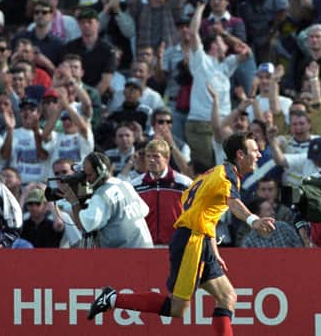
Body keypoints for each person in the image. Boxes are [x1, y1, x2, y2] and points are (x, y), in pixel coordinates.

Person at [87, 132, 276, 336]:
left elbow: (201, 212)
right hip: (191, 242)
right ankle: (112, 298)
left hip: (200, 241)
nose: (259, 154)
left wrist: (213, 250)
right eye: (255, 150)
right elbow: (234, 203)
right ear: (240, 154)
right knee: (177, 308)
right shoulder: (226, 176)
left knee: (227, 297)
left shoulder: (211, 174)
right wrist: (253, 220)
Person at [58, 152, 153, 248]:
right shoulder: (125, 184)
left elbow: (84, 225)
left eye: (89, 175)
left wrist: (74, 201)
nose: (86, 180)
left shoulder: (101, 196)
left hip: (126, 255)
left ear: (101, 172)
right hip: (146, 249)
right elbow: (145, 210)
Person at [132, 139, 193, 245]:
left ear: (167, 158)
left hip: (177, 245)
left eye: (156, 156)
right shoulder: (135, 185)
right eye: (148, 156)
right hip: (145, 245)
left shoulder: (184, 183)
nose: (151, 160)